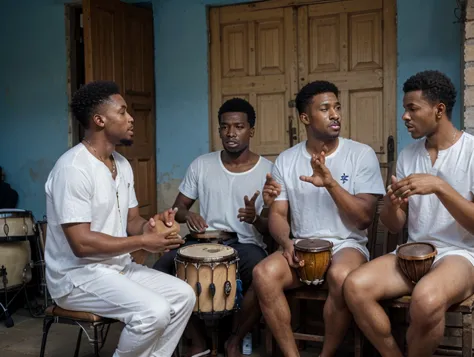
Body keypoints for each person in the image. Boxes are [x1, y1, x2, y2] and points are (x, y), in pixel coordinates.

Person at [44, 80, 195, 357]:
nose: (131, 118)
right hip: (76, 277)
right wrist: (142, 241)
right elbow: (81, 244)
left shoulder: (122, 165)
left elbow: (133, 222)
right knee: (154, 311)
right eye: (123, 112)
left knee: (184, 296)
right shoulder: (73, 169)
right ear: (99, 120)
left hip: (117, 268)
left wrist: (153, 226)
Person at [344, 70, 474, 357]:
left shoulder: (472, 152)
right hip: (414, 252)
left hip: (461, 255)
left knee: (426, 300)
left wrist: (440, 187)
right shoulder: (408, 155)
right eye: (405, 109)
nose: (405, 116)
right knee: (354, 286)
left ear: (439, 110)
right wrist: (391, 204)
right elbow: (394, 225)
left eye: (412, 109)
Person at [252, 80, 385, 357]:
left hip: (347, 245)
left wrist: (330, 183)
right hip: (301, 246)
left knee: (341, 275)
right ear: (305, 117)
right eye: (325, 109)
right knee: (263, 274)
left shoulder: (361, 155)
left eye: (337, 107)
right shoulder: (287, 161)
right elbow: (277, 214)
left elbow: (363, 219)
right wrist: (286, 242)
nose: (335, 114)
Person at [153, 97, 273, 357]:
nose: (230, 133)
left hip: (245, 244)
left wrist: (254, 218)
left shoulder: (268, 170)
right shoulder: (202, 164)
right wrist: (190, 215)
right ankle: (198, 339)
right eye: (224, 127)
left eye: (238, 126)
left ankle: (236, 338)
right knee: (162, 267)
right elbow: (178, 209)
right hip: (204, 243)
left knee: (263, 274)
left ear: (251, 130)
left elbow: (271, 228)